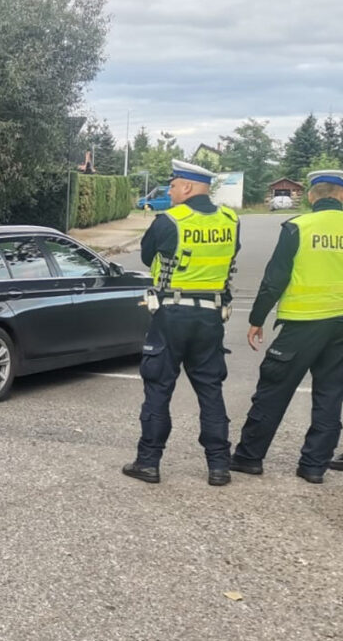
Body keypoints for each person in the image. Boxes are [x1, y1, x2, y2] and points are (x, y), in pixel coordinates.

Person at [123, 159, 240, 486]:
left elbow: (148, 257)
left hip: (172, 314)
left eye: (173, 185)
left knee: (159, 388)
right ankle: (219, 467)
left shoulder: (170, 221)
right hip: (211, 316)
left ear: (187, 187)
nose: (170, 191)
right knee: (211, 390)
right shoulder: (231, 220)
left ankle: (148, 463)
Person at [230, 170, 343, 483]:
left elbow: (275, 278)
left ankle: (249, 457)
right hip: (341, 326)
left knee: (274, 390)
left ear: (310, 196)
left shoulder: (297, 227)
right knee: (331, 394)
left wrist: (256, 319)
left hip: (302, 324)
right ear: (341, 195)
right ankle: (314, 466)